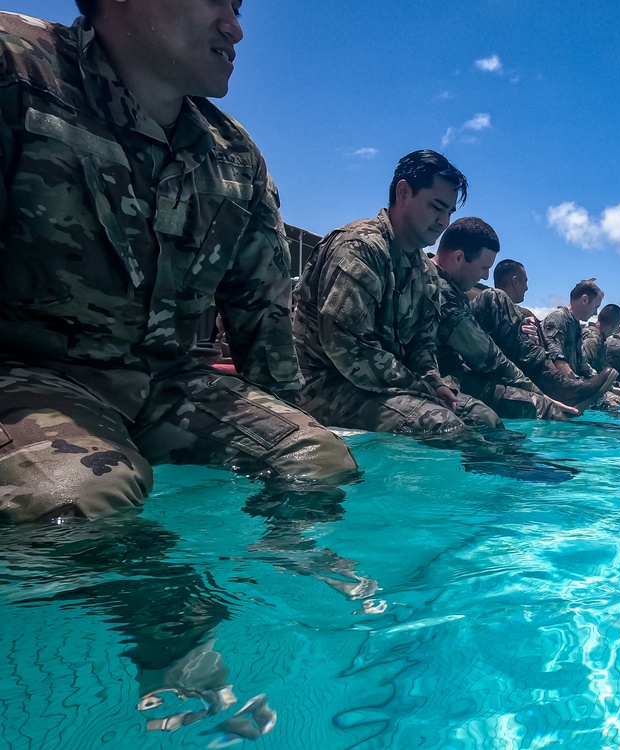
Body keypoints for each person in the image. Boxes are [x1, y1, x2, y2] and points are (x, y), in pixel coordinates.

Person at [0, 2, 358, 524]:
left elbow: (263, 320)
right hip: (25, 374)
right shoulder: (16, 69)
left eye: (238, 7)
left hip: (166, 382)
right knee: (78, 500)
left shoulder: (235, 155)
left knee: (318, 460)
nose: (235, 27)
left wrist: (288, 431)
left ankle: (270, 593)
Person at [292, 150, 501, 433]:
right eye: (436, 207)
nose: (443, 221)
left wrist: (435, 382)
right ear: (403, 192)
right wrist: (421, 387)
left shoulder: (424, 272)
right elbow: (347, 348)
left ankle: (512, 472)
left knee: (483, 417)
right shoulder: (359, 248)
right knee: (441, 425)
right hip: (324, 386)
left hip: (388, 385)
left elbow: (421, 346)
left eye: (449, 212)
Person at [428, 218, 575, 421]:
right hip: (447, 376)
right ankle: (551, 387)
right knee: (543, 409)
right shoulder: (439, 290)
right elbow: (486, 356)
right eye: (483, 267)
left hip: (465, 370)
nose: (487, 276)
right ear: (459, 258)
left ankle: (552, 382)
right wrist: (538, 393)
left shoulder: (451, 288)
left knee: (496, 297)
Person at [471, 261, 615, 408]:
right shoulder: (491, 298)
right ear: (515, 281)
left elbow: (582, 363)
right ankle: (559, 387)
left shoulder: (526, 314)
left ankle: (563, 388)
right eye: (525, 281)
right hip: (499, 376)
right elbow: (554, 352)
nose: (527, 287)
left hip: (523, 375)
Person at [543, 279, 604, 380]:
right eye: (595, 307)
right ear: (584, 300)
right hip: (558, 384)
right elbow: (552, 349)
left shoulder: (576, 326)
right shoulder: (559, 317)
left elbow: (583, 364)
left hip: (573, 382)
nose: (595, 313)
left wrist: (602, 382)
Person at [583, 304, 620, 372]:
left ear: (598, 316)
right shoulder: (593, 339)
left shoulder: (599, 337)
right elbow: (585, 369)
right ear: (615, 324)